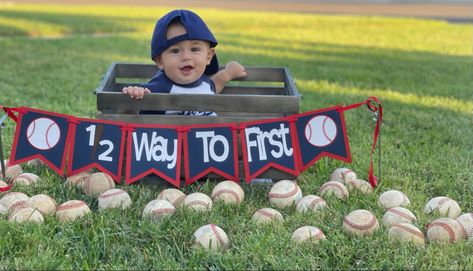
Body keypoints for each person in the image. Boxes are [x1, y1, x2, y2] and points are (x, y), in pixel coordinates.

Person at [122, 9, 247, 116]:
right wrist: (134, 96)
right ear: (160, 61)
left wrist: (228, 73)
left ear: (208, 56)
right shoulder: (159, 88)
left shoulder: (202, 82)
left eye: (194, 49)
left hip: (211, 141)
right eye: (175, 51)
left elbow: (214, 85)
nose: (186, 57)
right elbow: (130, 119)